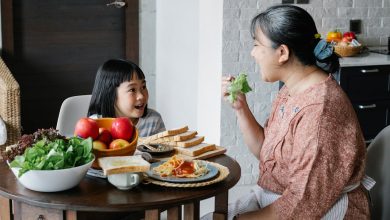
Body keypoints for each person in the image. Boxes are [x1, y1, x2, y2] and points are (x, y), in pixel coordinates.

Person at [219, 5, 374, 220]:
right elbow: (266, 152)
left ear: (282, 52)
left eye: (256, 45)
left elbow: (302, 204)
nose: (253, 53)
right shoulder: (290, 90)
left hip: (320, 210)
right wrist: (240, 108)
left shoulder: (319, 110)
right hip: (283, 200)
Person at [88, 59, 165, 137]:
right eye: (132, 89)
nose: (141, 96)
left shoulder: (154, 120)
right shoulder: (94, 124)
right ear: (111, 94)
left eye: (143, 87)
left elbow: (164, 148)